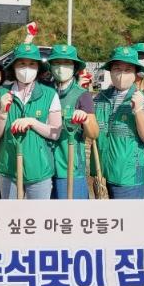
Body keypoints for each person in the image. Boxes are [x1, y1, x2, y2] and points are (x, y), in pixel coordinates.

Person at [0, 44, 62, 199]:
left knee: (37, 213)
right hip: (9, 167)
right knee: (11, 213)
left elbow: (55, 133)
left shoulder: (50, 94)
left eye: (32, 64)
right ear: (14, 67)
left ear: (38, 68)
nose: (27, 68)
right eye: (22, 64)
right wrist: (3, 113)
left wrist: (32, 122)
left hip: (39, 169)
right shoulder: (1, 93)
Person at [92, 46, 144, 199]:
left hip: (128, 178)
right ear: (110, 71)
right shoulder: (99, 98)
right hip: (101, 175)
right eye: (117, 69)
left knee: (128, 215)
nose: (122, 74)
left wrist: (138, 110)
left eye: (128, 70)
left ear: (135, 74)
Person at [46, 44, 99, 199]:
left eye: (66, 63)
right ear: (50, 66)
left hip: (70, 168)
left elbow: (94, 133)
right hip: (44, 167)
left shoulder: (82, 95)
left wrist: (85, 119)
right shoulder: (45, 92)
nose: (61, 67)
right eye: (57, 62)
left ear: (74, 67)